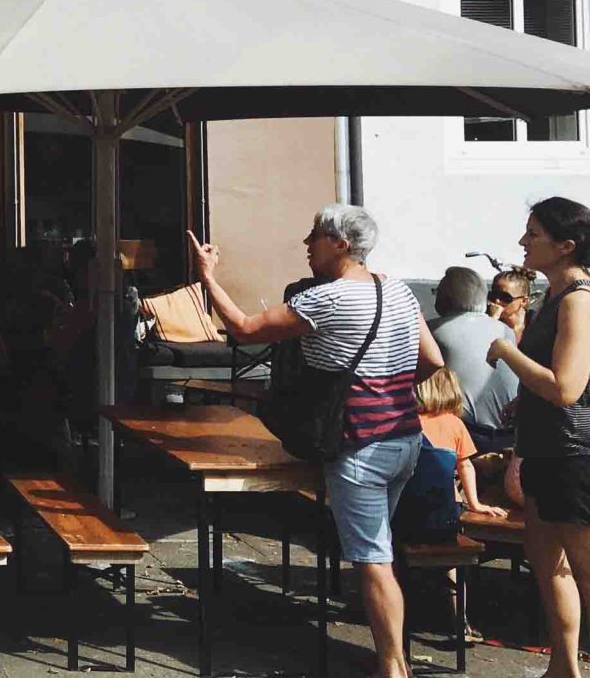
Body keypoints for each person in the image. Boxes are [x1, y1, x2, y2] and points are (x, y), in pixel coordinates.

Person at [189, 203, 442, 678]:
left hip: (359, 444)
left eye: (315, 236)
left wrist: (208, 276)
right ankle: (391, 650)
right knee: (379, 548)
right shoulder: (399, 290)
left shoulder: (328, 299)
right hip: (405, 438)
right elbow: (430, 360)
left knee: (373, 560)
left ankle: (393, 667)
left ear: (341, 244)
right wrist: (387, 387)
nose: (307, 244)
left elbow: (243, 331)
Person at [483, 197, 590, 676]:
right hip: (545, 450)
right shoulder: (554, 296)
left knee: (584, 569)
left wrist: (507, 352)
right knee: (546, 562)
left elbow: (566, 389)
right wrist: (522, 396)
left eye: (534, 234)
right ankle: (563, 667)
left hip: (575, 456)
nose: (523, 242)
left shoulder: (579, 301)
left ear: (566, 246)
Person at [428, 265, 523, 454]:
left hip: (469, 434)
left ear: (444, 297)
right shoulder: (505, 330)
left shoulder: (433, 330)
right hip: (511, 432)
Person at [417, 366, 508, 517]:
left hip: (411, 502)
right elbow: (465, 465)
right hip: (446, 504)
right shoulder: (454, 424)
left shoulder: (409, 423)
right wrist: (475, 504)